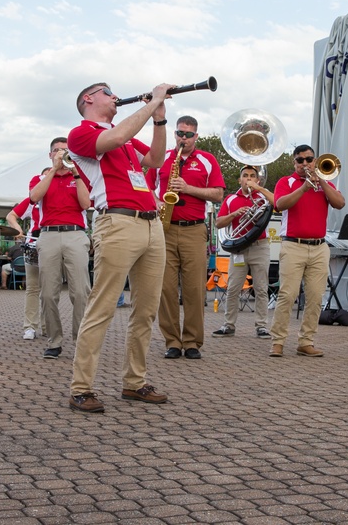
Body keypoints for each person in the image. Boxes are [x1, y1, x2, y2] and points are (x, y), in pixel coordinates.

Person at [66, 81, 173, 413]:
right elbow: (113, 138)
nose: (114, 96)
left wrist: (159, 117)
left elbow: (155, 159)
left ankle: (135, 382)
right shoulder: (80, 133)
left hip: (151, 223)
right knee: (102, 307)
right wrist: (151, 101)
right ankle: (81, 387)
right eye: (107, 92)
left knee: (146, 309)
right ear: (89, 99)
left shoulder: (126, 136)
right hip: (117, 222)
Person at [152, 116, 224, 359]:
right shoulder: (161, 157)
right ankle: (172, 341)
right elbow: (148, 189)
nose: (184, 138)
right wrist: (158, 202)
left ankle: (192, 342)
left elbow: (217, 194)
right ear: (175, 134)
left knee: (194, 289)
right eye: (180, 133)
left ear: (196, 136)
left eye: (189, 134)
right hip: (165, 227)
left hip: (194, 229)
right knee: (166, 289)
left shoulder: (207, 159)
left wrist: (188, 188)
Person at [268, 146, 345, 358]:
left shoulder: (325, 182)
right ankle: (278, 341)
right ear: (294, 164)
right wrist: (304, 188)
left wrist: (321, 183)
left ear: (315, 161)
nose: (305, 163)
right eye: (300, 160)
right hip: (293, 245)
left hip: (319, 247)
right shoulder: (287, 182)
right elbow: (280, 204)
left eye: (309, 159)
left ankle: (306, 341)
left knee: (315, 297)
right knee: (287, 295)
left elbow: (340, 203)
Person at [30, 138, 92, 360]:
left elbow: (86, 204)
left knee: (80, 292)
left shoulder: (80, 177)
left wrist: (74, 172)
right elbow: (34, 197)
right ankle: (54, 341)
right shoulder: (40, 178)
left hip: (75, 234)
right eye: (56, 150)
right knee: (48, 293)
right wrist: (54, 170)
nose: (60, 154)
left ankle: (80, 340)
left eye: (65, 151)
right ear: (50, 155)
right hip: (48, 235)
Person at [212, 165, 275, 339]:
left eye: (252, 176)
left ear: (258, 179)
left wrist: (259, 189)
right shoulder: (231, 199)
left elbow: (278, 203)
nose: (248, 178)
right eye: (245, 176)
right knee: (233, 288)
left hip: (260, 246)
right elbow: (218, 223)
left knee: (261, 288)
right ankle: (228, 325)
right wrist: (234, 215)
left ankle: (262, 326)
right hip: (239, 247)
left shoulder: (262, 195)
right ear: (240, 180)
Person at [6, 192, 43, 339]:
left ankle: (48, 326)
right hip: (33, 245)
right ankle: (30, 327)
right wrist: (18, 229)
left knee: (51, 290)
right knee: (32, 288)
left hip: (53, 244)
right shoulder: (33, 200)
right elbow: (11, 216)